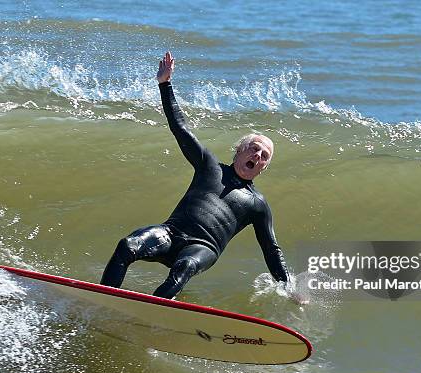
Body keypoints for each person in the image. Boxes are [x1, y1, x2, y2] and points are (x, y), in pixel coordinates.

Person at [100, 51, 289, 299]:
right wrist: (164, 84)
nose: (258, 156)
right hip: (171, 233)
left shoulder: (257, 204)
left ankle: (153, 311)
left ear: (264, 167)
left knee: (184, 267)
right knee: (127, 246)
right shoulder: (209, 166)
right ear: (239, 151)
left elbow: (271, 249)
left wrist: (288, 286)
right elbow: (180, 128)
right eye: (254, 149)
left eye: (264, 156)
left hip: (203, 247)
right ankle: (104, 297)